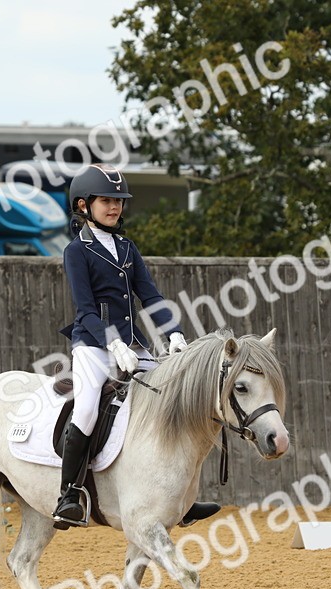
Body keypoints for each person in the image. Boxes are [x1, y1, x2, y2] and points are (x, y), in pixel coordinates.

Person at [52, 164, 219, 529]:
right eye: (106, 201)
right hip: (93, 344)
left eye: (119, 201)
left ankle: (180, 496)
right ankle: (69, 495)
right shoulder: (76, 251)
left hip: (134, 345)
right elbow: (85, 309)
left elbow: (151, 296)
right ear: (83, 205)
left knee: (172, 401)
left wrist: (174, 333)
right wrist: (112, 342)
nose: (115, 207)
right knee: (87, 409)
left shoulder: (128, 247)